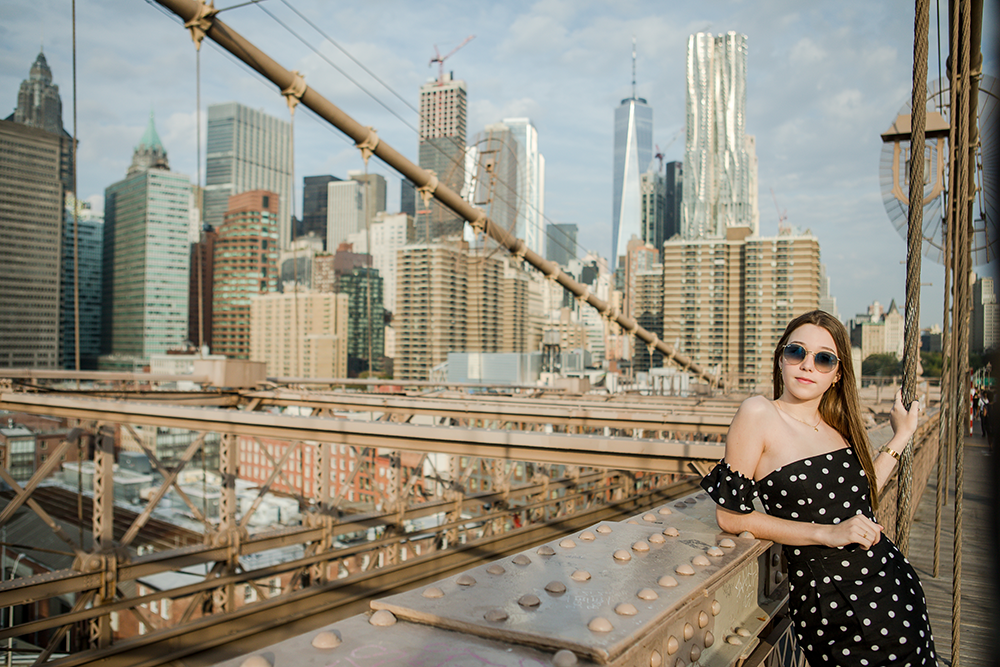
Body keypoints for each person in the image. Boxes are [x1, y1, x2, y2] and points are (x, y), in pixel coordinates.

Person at [700, 310, 937, 666]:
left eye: (824, 359)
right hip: (835, 606)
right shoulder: (759, 414)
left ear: (837, 374)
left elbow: (863, 493)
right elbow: (730, 517)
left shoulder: (837, 426)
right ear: (781, 358)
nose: (808, 365)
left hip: (894, 588)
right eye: (797, 352)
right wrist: (827, 533)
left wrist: (901, 436)